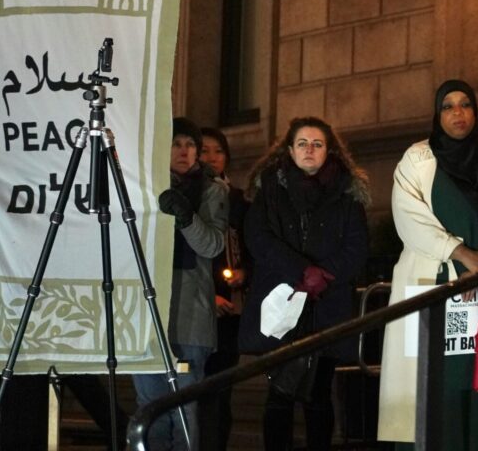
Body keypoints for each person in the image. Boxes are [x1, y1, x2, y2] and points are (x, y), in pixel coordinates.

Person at [377, 80, 478, 449]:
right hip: (434, 288)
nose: (458, 113)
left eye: (465, 104)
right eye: (448, 107)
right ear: (438, 115)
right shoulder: (418, 159)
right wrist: (461, 255)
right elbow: (409, 218)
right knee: (432, 381)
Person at [238, 117, 369, 451]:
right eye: (302, 143)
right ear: (290, 149)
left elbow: (356, 248)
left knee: (319, 395)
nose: (309, 150)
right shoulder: (269, 188)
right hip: (282, 304)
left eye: (317, 144)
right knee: (279, 394)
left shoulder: (347, 192)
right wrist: (301, 272)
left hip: (327, 307)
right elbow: (258, 238)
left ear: (329, 150)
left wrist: (322, 276)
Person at [133, 117, 228, 450]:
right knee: (150, 414)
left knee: (185, 415)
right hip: (147, 317)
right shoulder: (144, 185)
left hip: (191, 320)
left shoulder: (213, 190)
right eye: (176, 143)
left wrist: (187, 217)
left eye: (191, 145)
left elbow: (213, 245)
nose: (184, 151)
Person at [198, 127, 251, 451]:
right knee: (201, 389)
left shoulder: (238, 199)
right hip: (200, 307)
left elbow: (251, 243)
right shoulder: (193, 195)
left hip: (230, 307)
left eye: (218, 151)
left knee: (223, 389)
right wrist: (208, 294)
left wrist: (245, 272)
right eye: (205, 150)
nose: (212, 157)